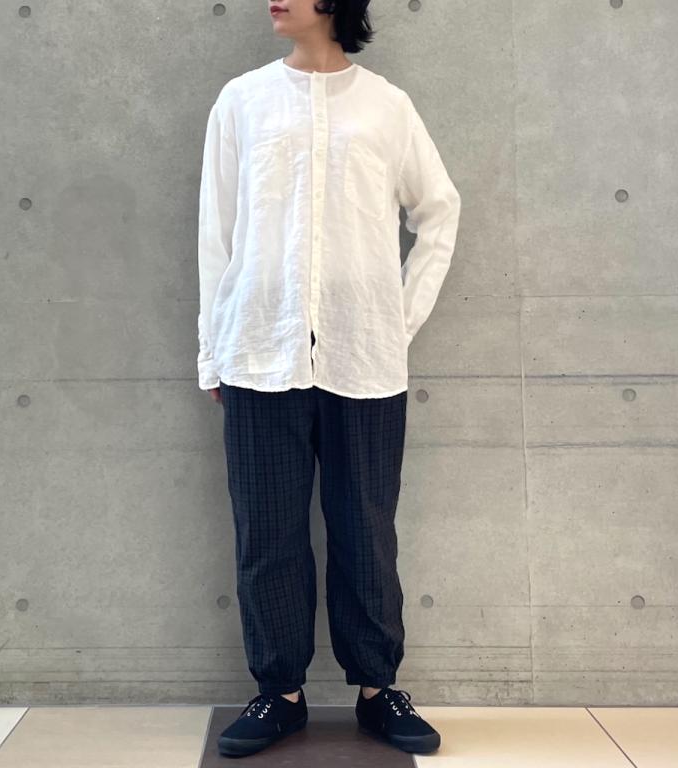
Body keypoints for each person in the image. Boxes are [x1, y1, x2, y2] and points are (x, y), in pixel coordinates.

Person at [197, 0, 461, 758]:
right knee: (267, 532)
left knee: (366, 529)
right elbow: (217, 231)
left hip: (364, 359)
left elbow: (439, 211)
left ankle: (378, 689)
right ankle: (279, 693)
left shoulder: (386, 106)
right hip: (259, 351)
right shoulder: (242, 100)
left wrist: (395, 320)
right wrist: (213, 348)